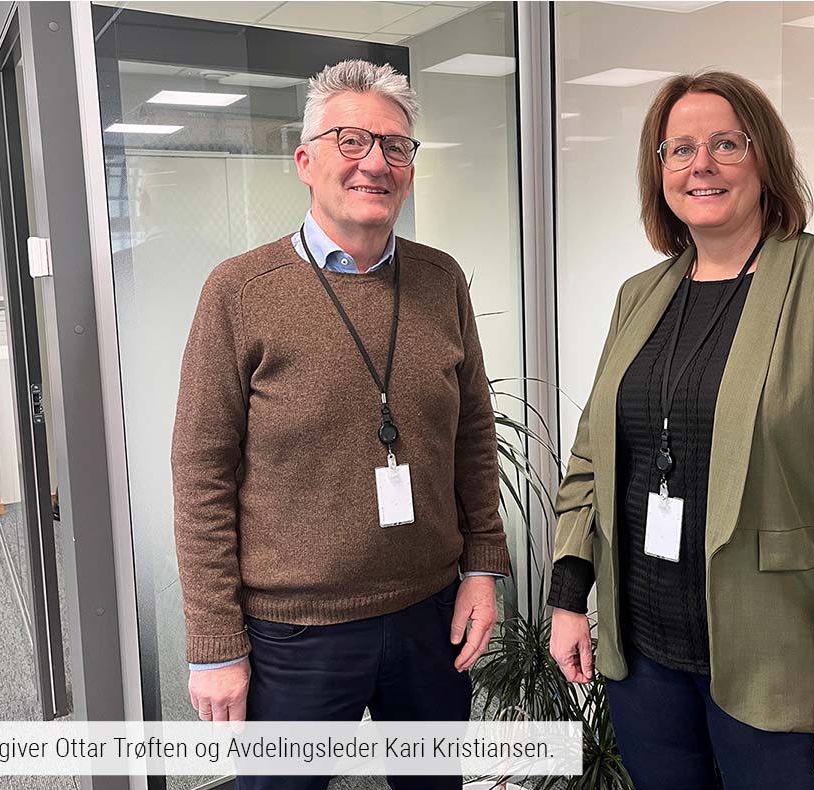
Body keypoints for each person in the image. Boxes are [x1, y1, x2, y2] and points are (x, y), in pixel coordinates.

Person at [546, 71, 814, 789]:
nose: (700, 164)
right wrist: (569, 595)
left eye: (726, 144)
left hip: (786, 670)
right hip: (645, 664)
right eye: (679, 149)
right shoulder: (640, 296)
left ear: (765, 160)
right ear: (659, 171)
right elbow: (591, 459)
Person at [171, 59, 510, 790]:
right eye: (351, 140)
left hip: (430, 616)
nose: (375, 163)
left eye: (395, 146)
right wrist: (216, 640)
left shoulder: (441, 279)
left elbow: (473, 438)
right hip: (295, 633)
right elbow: (201, 474)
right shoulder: (239, 291)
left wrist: (483, 568)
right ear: (305, 161)